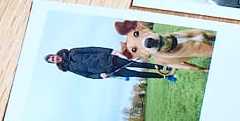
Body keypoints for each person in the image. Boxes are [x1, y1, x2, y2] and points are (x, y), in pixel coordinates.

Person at [45, 48, 177, 80]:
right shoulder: (69, 68)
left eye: (53, 57)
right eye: (52, 60)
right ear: (54, 63)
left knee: (138, 65)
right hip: (109, 70)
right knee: (136, 74)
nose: (54, 59)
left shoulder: (72, 52)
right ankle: (165, 77)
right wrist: (99, 76)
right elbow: (87, 75)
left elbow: (92, 49)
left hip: (110, 59)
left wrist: (110, 51)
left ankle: (164, 67)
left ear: (55, 54)